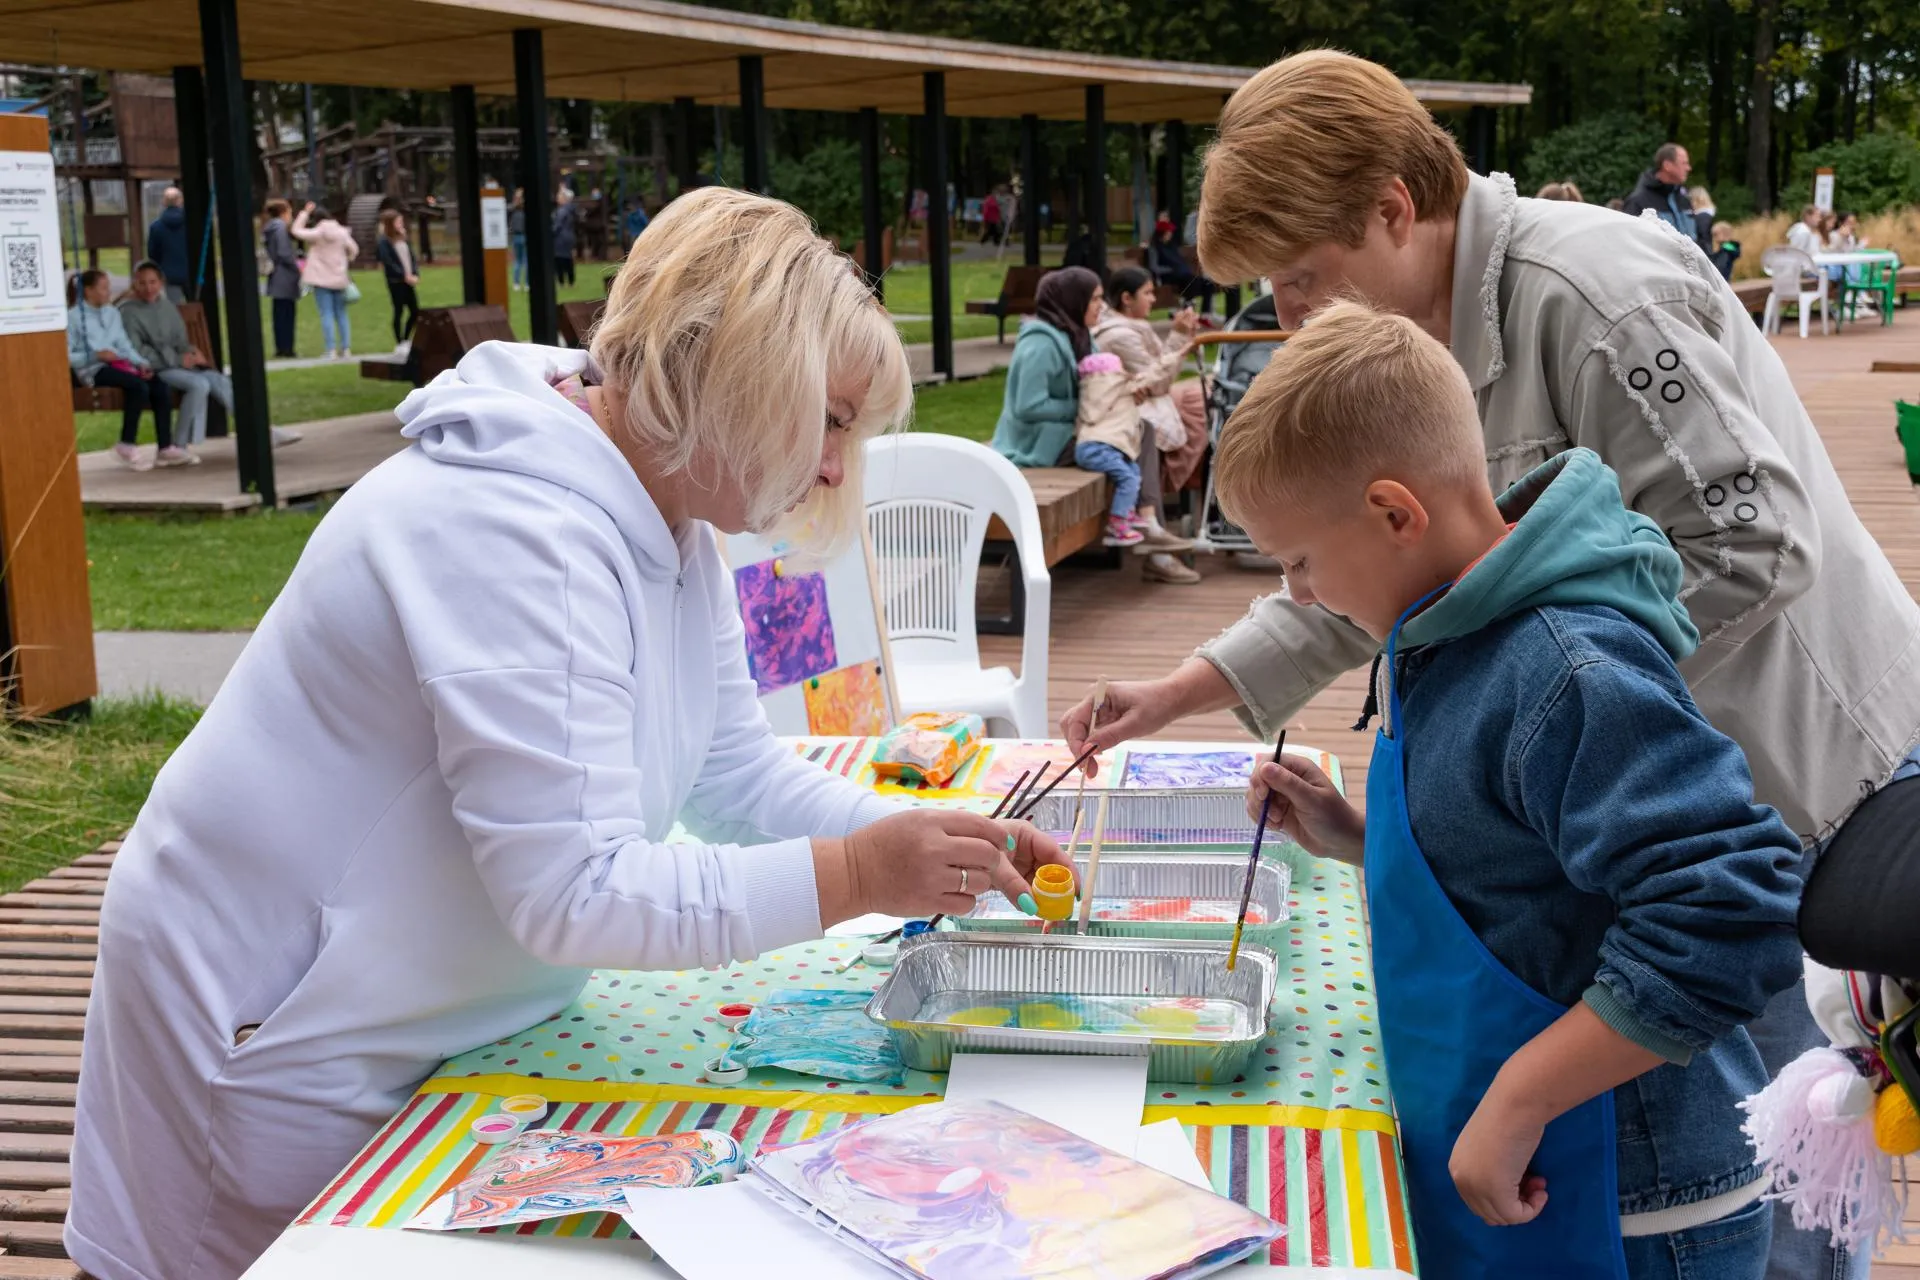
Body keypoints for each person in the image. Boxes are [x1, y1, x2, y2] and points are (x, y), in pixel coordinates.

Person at [65, 185, 1070, 1280]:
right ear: (732, 376)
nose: (839, 467)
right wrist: (855, 873)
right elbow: (573, 891)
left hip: (425, 1015)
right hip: (278, 1021)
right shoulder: (512, 526)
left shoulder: (669, 507)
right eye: (830, 419)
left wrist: (925, 838)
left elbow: (733, 773)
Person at [1061, 49, 1920, 1280]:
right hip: (1607, 800)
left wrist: (1555, 697)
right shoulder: (1408, 342)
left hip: (1793, 770)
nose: (1294, 314)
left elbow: (1749, 538)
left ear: (1393, 211)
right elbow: (1388, 567)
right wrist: (1189, 688)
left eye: (1301, 278)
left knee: (1756, 1152)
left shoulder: (1593, 289)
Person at [1220, 299, 1803, 1278]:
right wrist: (1354, 834)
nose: (1305, 596)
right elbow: (1521, 860)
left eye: (1301, 562)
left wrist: (1523, 1094)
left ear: (1395, 513)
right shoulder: (1445, 622)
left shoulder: (1564, 666)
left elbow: (1731, 905)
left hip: (1632, 1198)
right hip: (1540, 1157)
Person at [1092, 265, 1209, 582]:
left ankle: (1167, 535)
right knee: (1159, 430)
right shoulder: (1120, 335)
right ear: (1127, 298)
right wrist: (1179, 337)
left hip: (1126, 413)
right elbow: (1159, 380)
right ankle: (1158, 550)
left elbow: (1157, 375)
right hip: (1118, 419)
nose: (1153, 299)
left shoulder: (1132, 327)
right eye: (1147, 293)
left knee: (1204, 394)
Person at [120, 262, 302, 452]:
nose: (148, 288)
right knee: (199, 384)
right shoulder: (128, 312)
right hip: (156, 369)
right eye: (142, 283)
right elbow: (137, 351)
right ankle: (179, 446)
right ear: (134, 284)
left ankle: (260, 431)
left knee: (219, 381)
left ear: (161, 282)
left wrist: (192, 352)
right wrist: (176, 360)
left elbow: (180, 340)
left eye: (152, 282)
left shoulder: (166, 306)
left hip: (180, 364)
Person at [67, 269, 189, 469]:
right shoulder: (72, 318)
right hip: (93, 370)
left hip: (119, 364)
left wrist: (141, 363)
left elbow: (124, 345)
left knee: (158, 384)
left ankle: (165, 447)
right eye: (104, 288)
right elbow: (66, 357)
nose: (108, 292)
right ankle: (126, 443)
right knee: (137, 386)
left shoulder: (112, 313)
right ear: (88, 291)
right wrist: (94, 356)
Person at [292, 202, 358, 360]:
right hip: (339, 278)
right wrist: (345, 259)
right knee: (341, 314)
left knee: (326, 314)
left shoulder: (318, 233)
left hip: (321, 278)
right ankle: (346, 348)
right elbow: (354, 249)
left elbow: (296, 231)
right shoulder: (341, 232)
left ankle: (331, 349)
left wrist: (304, 213)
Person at [1621, 144, 1709, 251]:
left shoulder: (1685, 201)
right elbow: (1629, 246)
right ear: (1667, 165)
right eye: (1684, 163)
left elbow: (1699, 242)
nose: (1688, 168)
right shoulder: (1638, 202)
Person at [261, 199, 303, 358]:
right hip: (285, 274)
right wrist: (296, 267)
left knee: (279, 313)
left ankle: (280, 346)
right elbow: (284, 252)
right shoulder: (280, 228)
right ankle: (287, 348)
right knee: (287, 313)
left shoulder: (269, 228)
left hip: (276, 274)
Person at [1148, 216, 1215, 314]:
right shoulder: (1154, 248)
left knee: (1208, 284)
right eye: (1169, 231)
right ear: (1163, 233)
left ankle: (1205, 314)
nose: (1171, 234)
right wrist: (1170, 269)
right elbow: (1154, 267)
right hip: (1168, 277)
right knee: (1192, 282)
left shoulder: (1171, 246)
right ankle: (1186, 309)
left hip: (1182, 276)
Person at [375, 208, 420, 353]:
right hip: (396, 282)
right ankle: (400, 341)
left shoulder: (403, 237)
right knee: (399, 310)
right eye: (398, 221)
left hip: (408, 281)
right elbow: (388, 262)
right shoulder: (384, 241)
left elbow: (411, 257)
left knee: (415, 311)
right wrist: (403, 275)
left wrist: (414, 273)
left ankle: (407, 338)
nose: (401, 224)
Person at [145, 186, 189, 302]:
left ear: (164, 202)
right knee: (196, 307)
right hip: (190, 271)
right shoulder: (189, 225)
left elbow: (153, 253)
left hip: (168, 273)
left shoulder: (156, 227)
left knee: (173, 309)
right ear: (180, 200)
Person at [553, 186, 578, 287]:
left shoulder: (561, 211)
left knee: (560, 260)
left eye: (559, 197)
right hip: (569, 236)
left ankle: (561, 281)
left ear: (564, 199)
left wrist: (550, 233)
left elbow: (557, 225)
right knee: (568, 259)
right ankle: (571, 281)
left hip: (561, 238)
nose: (557, 198)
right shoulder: (571, 209)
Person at [508, 188, 527, 290]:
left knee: (517, 261)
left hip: (516, 236)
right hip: (524, 235)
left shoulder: (513, 210)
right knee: (526, 261)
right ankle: (528, 283)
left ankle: (516, 283)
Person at [1688, 185, 1717, 250]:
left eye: (1691, 199)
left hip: (1701, 253)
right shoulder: (1704, 215)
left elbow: (1704, 240)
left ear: (1696, 199)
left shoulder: (1703, 217)